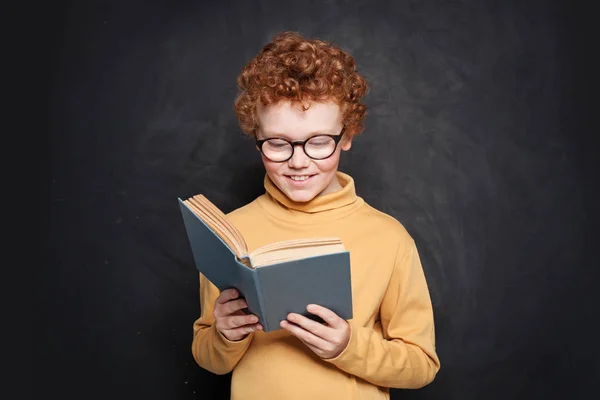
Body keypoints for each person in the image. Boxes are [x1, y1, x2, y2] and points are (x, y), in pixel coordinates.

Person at [191, 31, 440, 400]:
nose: (298, 161)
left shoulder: (389, 238)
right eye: (277, 143)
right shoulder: (230, 233)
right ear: (256, 135)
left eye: (320, 141)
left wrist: (349, 347)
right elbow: (209, 358)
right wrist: (225, 335)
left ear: (347, 135)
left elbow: (421, 365)